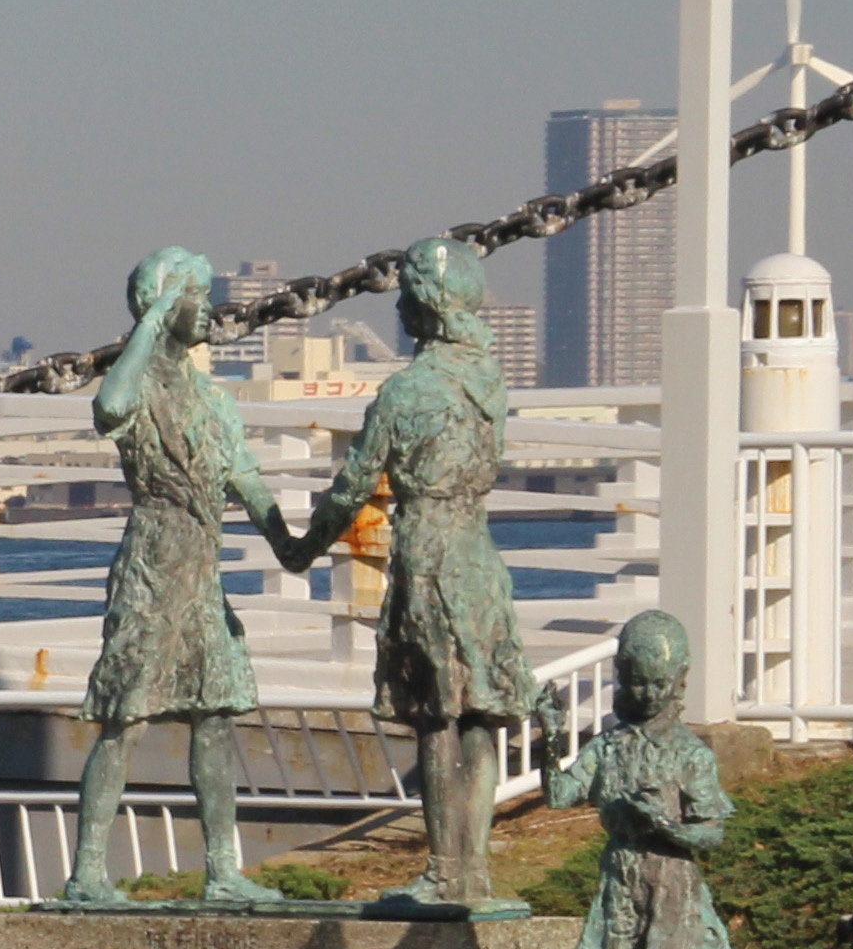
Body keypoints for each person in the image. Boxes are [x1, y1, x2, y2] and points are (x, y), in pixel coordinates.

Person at [283, 235, 534, 914]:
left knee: (436, 717)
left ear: (424, 304)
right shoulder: (490, 382)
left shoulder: (408, 390)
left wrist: (303, 550)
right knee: (481, 713)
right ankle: (475, 871)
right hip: (480, 556)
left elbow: (353, 485)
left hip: (428, 553)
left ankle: (444, 870)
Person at [61, 247, 295, 909]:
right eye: (199, 297)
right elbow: (109, 405)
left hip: (203, 569)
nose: (211, 310)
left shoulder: (214, 402)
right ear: (168, 307)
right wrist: (155, 315)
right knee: (125, 719)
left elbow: (246, 480)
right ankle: (88, 872)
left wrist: (292, 542)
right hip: (152, 563)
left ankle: (223, 869)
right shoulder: (140, 388)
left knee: (216, 716)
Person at [547, 609, 735, 949]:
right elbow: (560, 794)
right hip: (620, 883)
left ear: (679, 684)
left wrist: (668, 826)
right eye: (636, 680)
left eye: (659, 683)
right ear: (622, 680)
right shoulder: (610, 747)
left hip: (671, 884)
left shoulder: (690, 753)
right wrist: (550, 735)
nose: (647, 692)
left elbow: (713, 832)